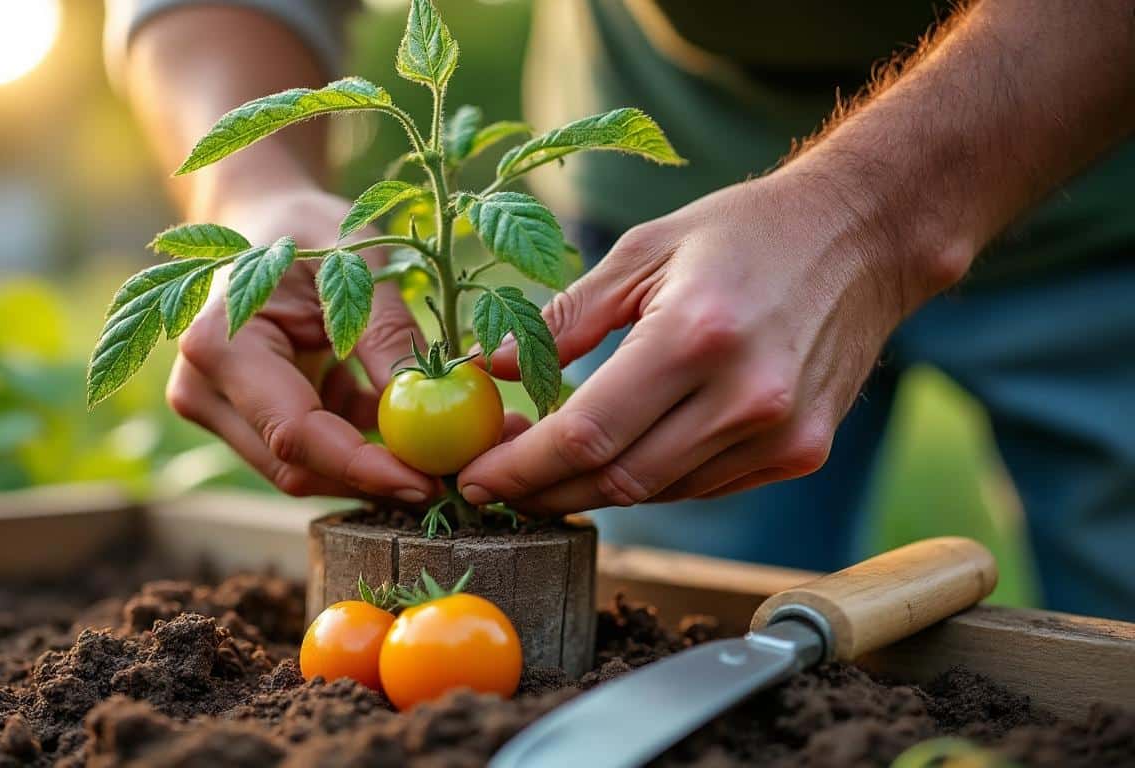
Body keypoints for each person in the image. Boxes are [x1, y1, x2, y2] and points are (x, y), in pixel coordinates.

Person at [106, 0, 1135, 621]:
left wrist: (873, 211)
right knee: (688, 623)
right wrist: (249, 194)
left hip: (1105, 171)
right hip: (671, 228)